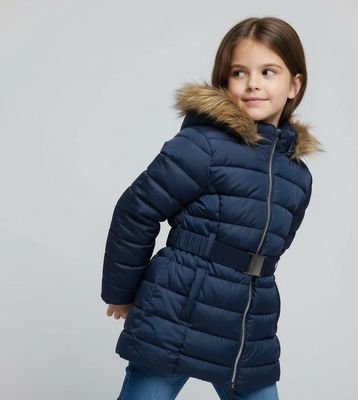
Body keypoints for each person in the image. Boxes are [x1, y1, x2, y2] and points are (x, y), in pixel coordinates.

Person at [101, 16, 323, 400]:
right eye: (239, 72)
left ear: (294, 85)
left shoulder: (297, 175)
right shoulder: (201, 146)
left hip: (248, 324)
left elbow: (275, 245)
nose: (253, 83)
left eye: (268, 71)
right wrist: (120, 292)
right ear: (225, 81)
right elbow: (135, 210)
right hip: (176, 311)